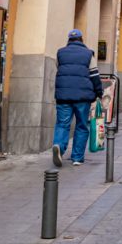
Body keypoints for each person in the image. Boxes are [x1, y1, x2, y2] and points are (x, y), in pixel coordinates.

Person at [52, 29, 103, 167]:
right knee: (81, 125)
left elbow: (59, 68)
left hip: (63, 96)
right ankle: (77, 157)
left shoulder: (60, 52)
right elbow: (94, 75)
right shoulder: (88, 54)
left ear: (69, 40)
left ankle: (59, 147)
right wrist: (99, 92)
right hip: (83, 96)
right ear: (81, 39)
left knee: (62, 124)